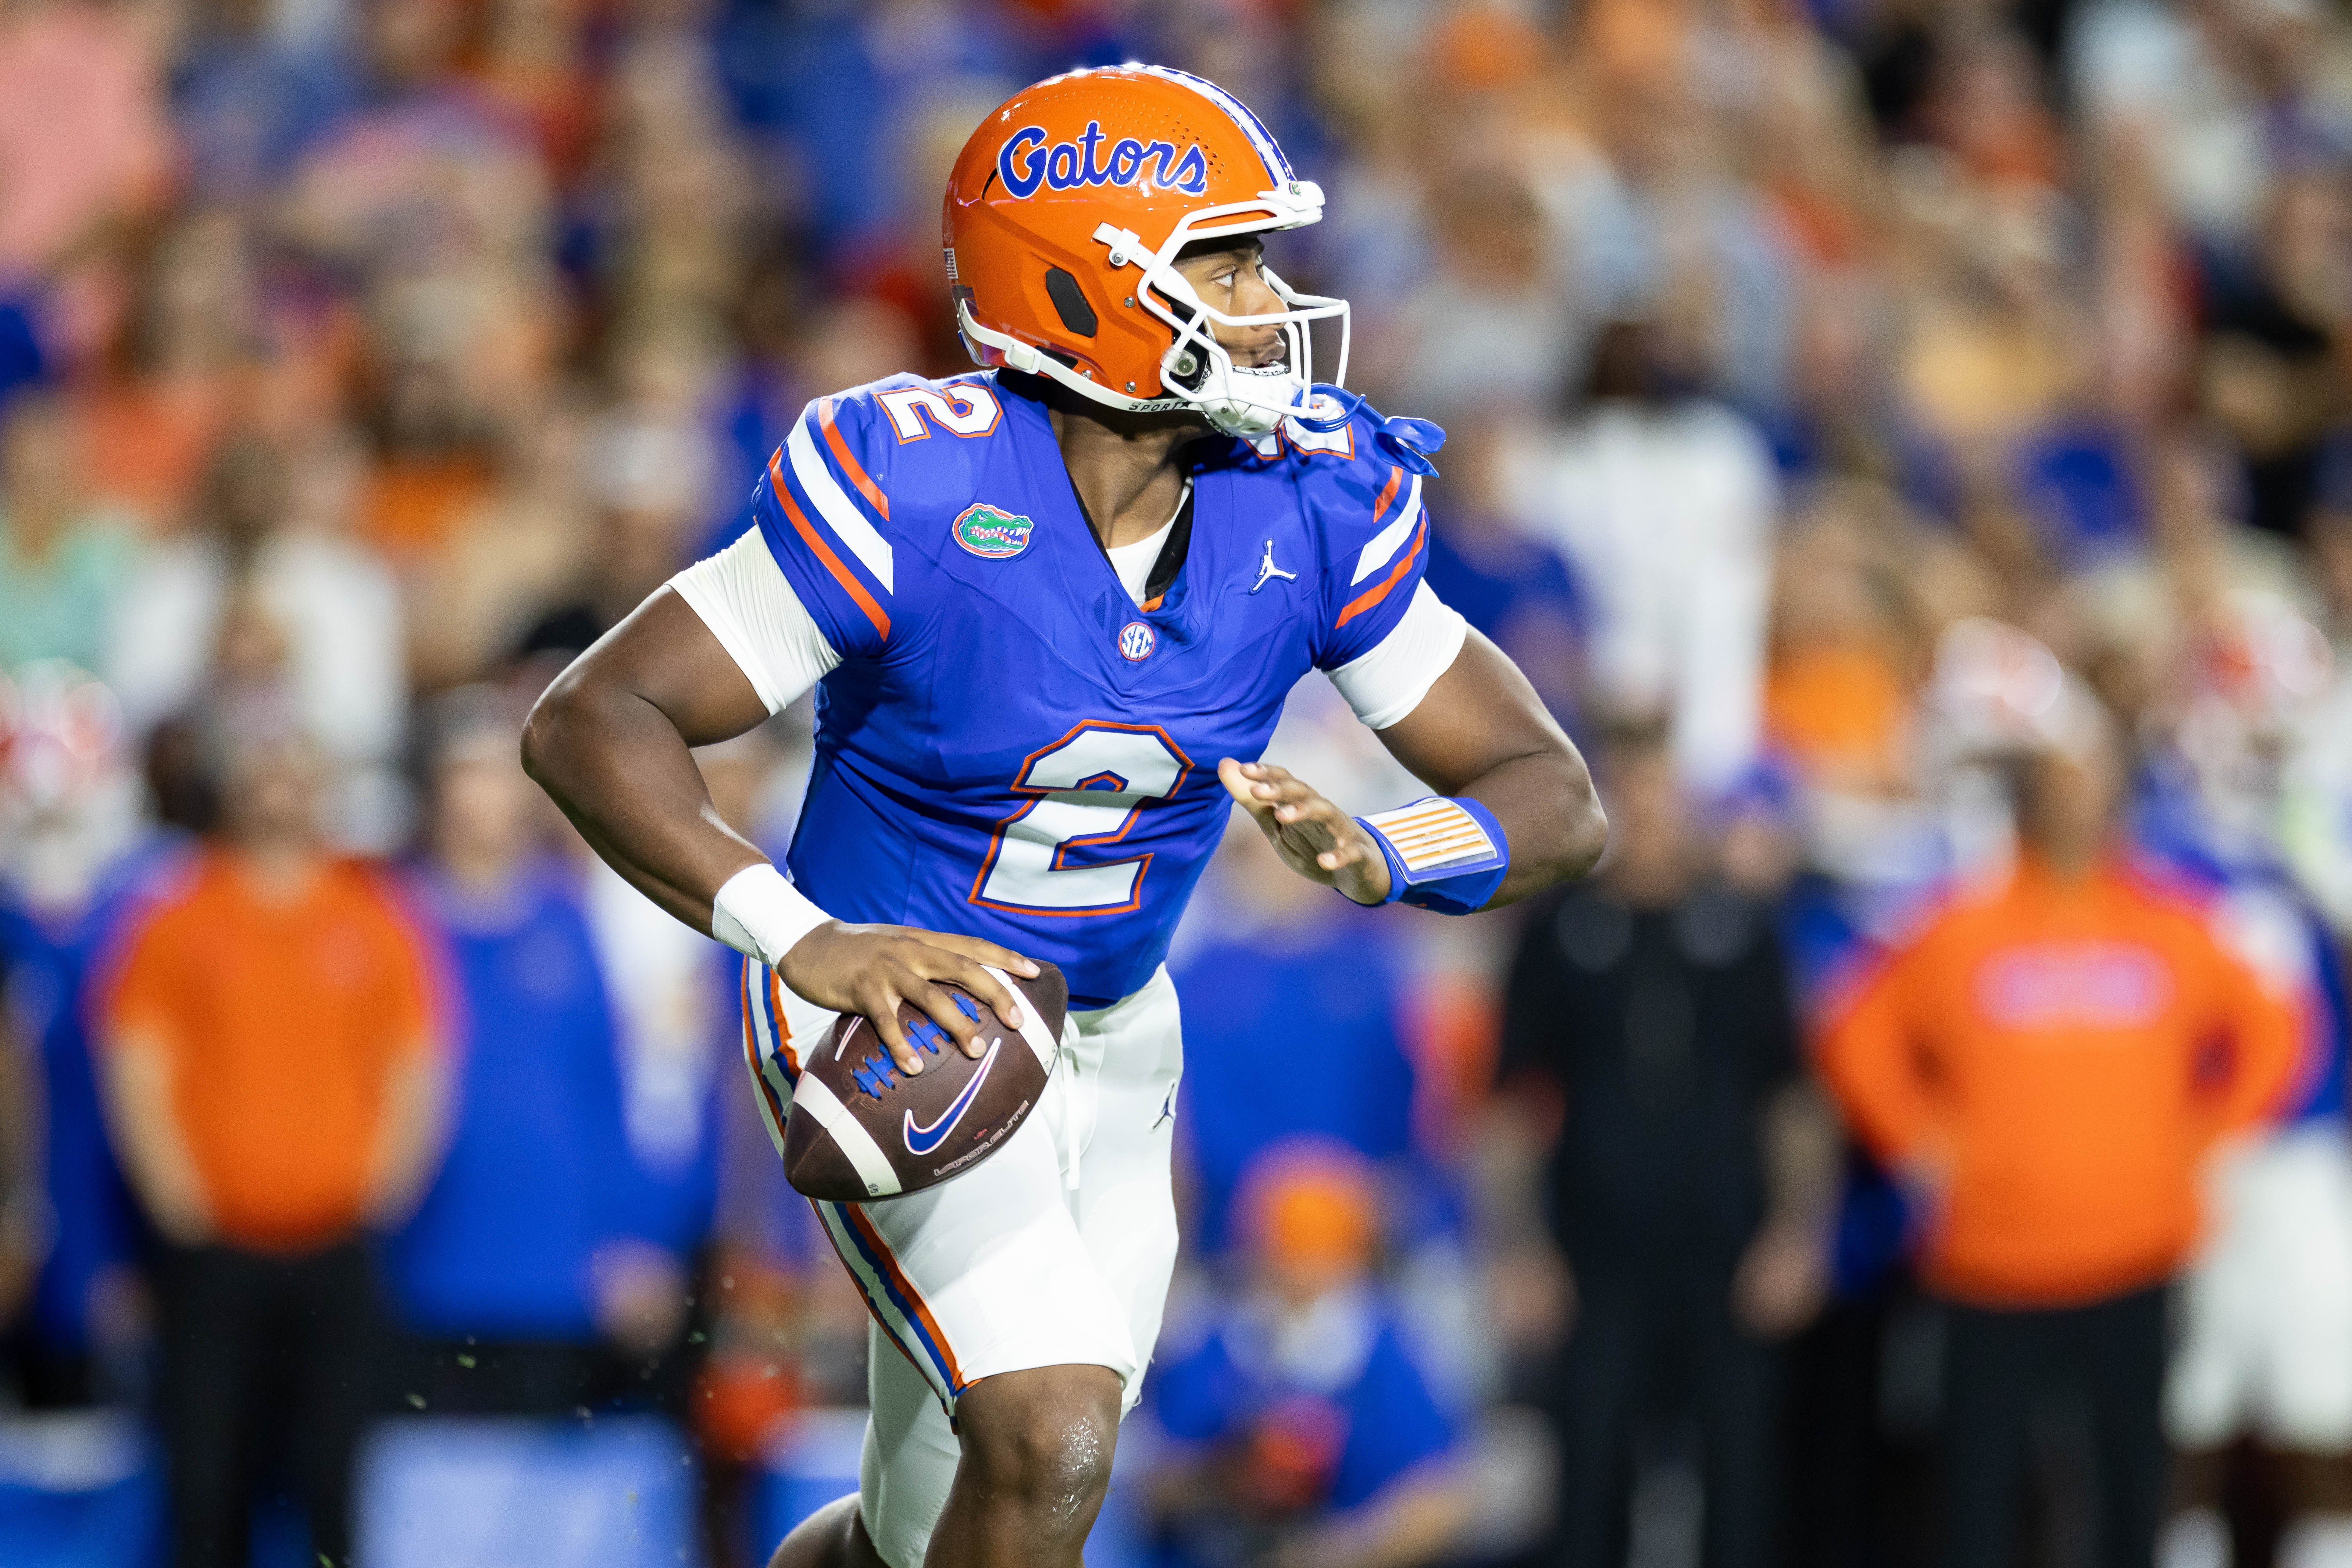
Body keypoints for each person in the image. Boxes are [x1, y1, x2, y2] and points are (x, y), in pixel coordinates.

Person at [521, 65, 1607, 1568]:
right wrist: (798, 933)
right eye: (1224, 265)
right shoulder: (913, 484)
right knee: (1055, 1436)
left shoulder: (1304, 498)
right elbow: (594, 717)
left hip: (1116, 1039)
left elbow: (1553, 794)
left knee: (928, 1530)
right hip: (902, 1016)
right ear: (1084, 289)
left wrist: (1389, 850)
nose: (1269, 304)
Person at [1818, 674, 2301, 1568]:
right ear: (2028, 798)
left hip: (2133, 1252)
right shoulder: (1962, 924)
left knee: (2129, 1491)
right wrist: (1910, 1135)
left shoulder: (2168, 921)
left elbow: (2276, 1025)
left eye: (2094, 784)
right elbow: (1852, 1029)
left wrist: (2206, 1134)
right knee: (1978, 1497)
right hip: (1989, 1262)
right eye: (2060, 784)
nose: (2077, 804)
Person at [96, 717, 447, 1568]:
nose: (277, 789)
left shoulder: (371, 915)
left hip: (335, 1249)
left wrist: (380, 1189)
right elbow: (138, 1063)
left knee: (334, 1484)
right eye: (261, 770)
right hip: (216, 1253)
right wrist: (179, 1199)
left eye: (293, 769)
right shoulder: (181, 917)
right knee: (206, 1485)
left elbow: (415, 1061)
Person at [1496, 719, 1834, 1568]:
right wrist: (1518, 1246)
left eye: (1662, 799)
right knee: (1589, 1478)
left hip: (1726, 1251)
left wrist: (1796, 1233)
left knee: (1740, 1481)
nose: (1647, 821)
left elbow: (1791, 1096)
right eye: (1629, 800)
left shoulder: (1741, 928)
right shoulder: (1560, 931)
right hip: (1596, 1256)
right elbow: (1509, 1106)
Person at [387, 691, 688, 1414]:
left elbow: (608, 1090)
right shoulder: (391, 921)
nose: (486, 794)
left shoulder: (571, 919)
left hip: (555, 1277)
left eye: (501, 773)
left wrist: (634, 1235)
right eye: (468, 771)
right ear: (433, 789)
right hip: (417, 1270)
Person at [1147, 1139, 1474, 1568]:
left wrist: (1333, 1553)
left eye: (1315, 1250)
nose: (1297, 1269)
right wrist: (1225, 1468)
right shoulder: (1217, 1341)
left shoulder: (1387, 1351)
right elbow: (1152, 1488)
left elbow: (1443, 1497)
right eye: (1284, 1247)